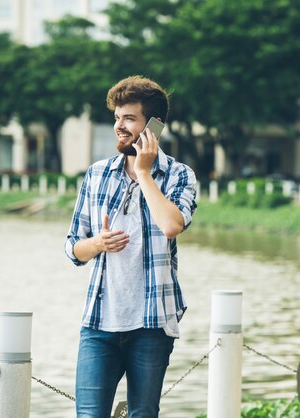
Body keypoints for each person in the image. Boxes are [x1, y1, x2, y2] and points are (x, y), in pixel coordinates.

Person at [64, 75, 197, 417]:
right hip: (99, 323)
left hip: (151, 325)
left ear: (154, 126)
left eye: (129, 119)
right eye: (116, 118)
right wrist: (97, 243)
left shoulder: (180, 175)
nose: (119, 127)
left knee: (143, 414)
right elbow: (73, 249)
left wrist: (145, 173)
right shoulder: (97, 174)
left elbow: (171, 226)